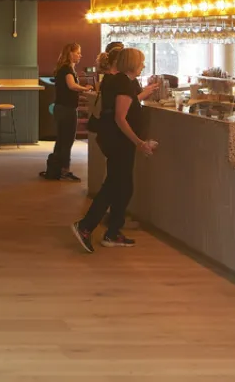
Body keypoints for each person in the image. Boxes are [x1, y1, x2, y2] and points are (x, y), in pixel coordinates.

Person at [72, 47, 162, 252]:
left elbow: (124, 105)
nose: (143, 66)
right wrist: (139, 142)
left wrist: (142, 94)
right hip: (119, 141)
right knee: (114, 185)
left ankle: (112, 232)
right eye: (141, 62)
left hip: (115, 140)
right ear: (132, 63)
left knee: (123, 185)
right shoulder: (123, 82)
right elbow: (120, 117)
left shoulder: (120, 81)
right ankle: (86, 226)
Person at [41, 42, 85, 181]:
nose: (80, 55)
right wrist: (86, 89)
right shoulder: (67, 69)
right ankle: (65, 170)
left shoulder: (62, 69)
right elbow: (71, 86)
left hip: (61, 108)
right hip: (67, 109)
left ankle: (56, 168)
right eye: (77, 52)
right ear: (70, 53)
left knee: (61, 140)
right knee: (67, 140)